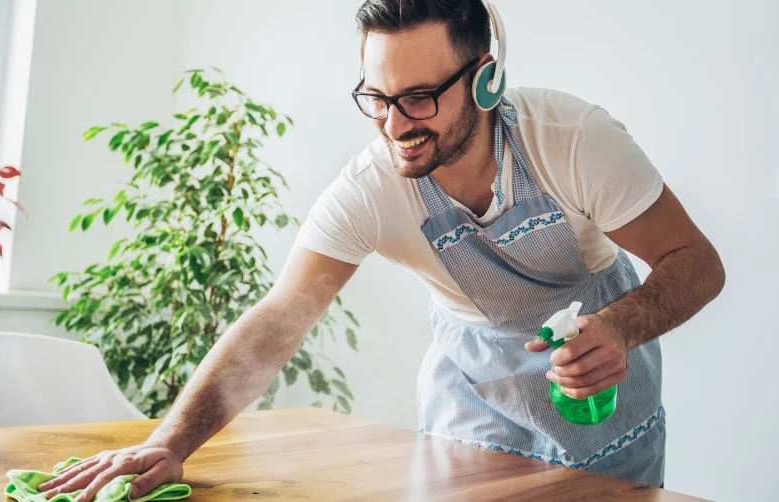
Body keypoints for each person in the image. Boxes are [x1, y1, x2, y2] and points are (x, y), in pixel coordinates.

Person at [40, 0, 725, 499]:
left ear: (486, 78)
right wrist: (169, 442)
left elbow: (696, 261)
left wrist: (618, 328)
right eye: (377, 96)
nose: (396, 125)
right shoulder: (371, 187)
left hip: (603, 385)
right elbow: (281, 319)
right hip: (475, 397)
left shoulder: (574, 139)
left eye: (421, 98)